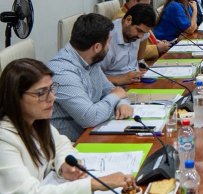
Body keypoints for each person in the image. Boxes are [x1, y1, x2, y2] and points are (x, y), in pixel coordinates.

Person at [0, 58, 137, 193]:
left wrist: (64, 165)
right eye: (41, 93)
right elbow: (29, 192)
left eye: (51, 88)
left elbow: (61, 145)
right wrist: (94, 184)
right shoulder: (4, 139)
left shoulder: (36, 121)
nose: (52, 97)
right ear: (15, 97)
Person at [48, 13, 133, 142]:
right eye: (109, 42)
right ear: (97, 47)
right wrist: (116, 96)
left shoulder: (90, 59)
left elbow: (111, 90)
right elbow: (90, 117)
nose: (109, 47)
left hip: (94, 133)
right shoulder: (62, 72)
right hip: (71, 144)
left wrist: (122, 103)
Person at [101, 3, 156, 86]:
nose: (140, 36)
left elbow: (145, 37)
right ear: (128, 20)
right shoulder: (107, 40)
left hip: (136, 80)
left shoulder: (139, 34)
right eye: (139, 31)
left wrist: (140, 61)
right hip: (115, 87)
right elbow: (92, 78)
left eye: (144, 33)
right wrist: (120, 79)